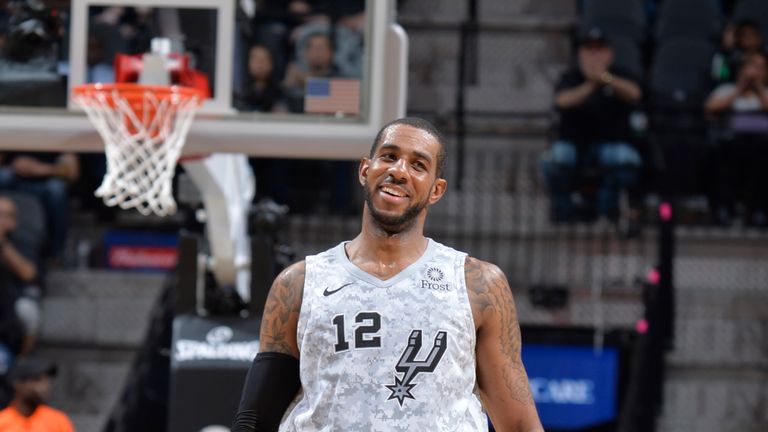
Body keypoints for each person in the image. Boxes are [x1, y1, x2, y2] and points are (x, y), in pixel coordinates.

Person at [232, 117, 543, 431]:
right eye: (389, 156)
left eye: (418, 164)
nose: (399, 171)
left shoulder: (478, 284)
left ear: (436, 190)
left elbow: (519, 424)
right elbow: (254, 421)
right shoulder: (298, 284)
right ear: (365, 170)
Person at [540, 27, 642, 224]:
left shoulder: (620, 75)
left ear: (610, 54)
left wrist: (606, 79)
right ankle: (565, 212)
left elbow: (635, 93)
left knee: (626, 159)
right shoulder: (571, 77)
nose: (594, 55)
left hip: (610, 144)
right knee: (554, 159)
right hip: (574, 144)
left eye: (599, 49)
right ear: (580, 54)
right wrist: (591, 84)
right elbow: (561, 100)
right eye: (589, 49)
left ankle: (607, 210)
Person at [705, 51, 768, 226]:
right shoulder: (727, 89)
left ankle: (759, 210)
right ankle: (725, 208)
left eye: (760, 68)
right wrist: (740, 89)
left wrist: (758, 88)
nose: (755, 72)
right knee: (718, 154)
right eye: (751, 67)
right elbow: (710, 108)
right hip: (731, 144)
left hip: (762, 145)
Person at [0, 152, 79, 260]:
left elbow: (72, 172)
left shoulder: (59, 139)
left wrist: (39, 168)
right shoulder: (12, 136)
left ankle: (57, 252)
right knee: (3, 175)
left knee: (56, 189)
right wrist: (16, 166)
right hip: (14, 179)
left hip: (45, 183)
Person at [0, 195, 41, 355]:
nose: (1, 221)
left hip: (13, 302)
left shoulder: (23, 240)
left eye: (6, 215)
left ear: (14, 220)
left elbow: (28, 273)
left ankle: (21, 361)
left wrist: (2, 244)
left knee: (28, 312)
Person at [0, 357, 75, 431]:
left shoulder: (58, 420)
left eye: (47, 381)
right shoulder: (2, 421)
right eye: (37, 380)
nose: (45, 386)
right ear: (18, 384)